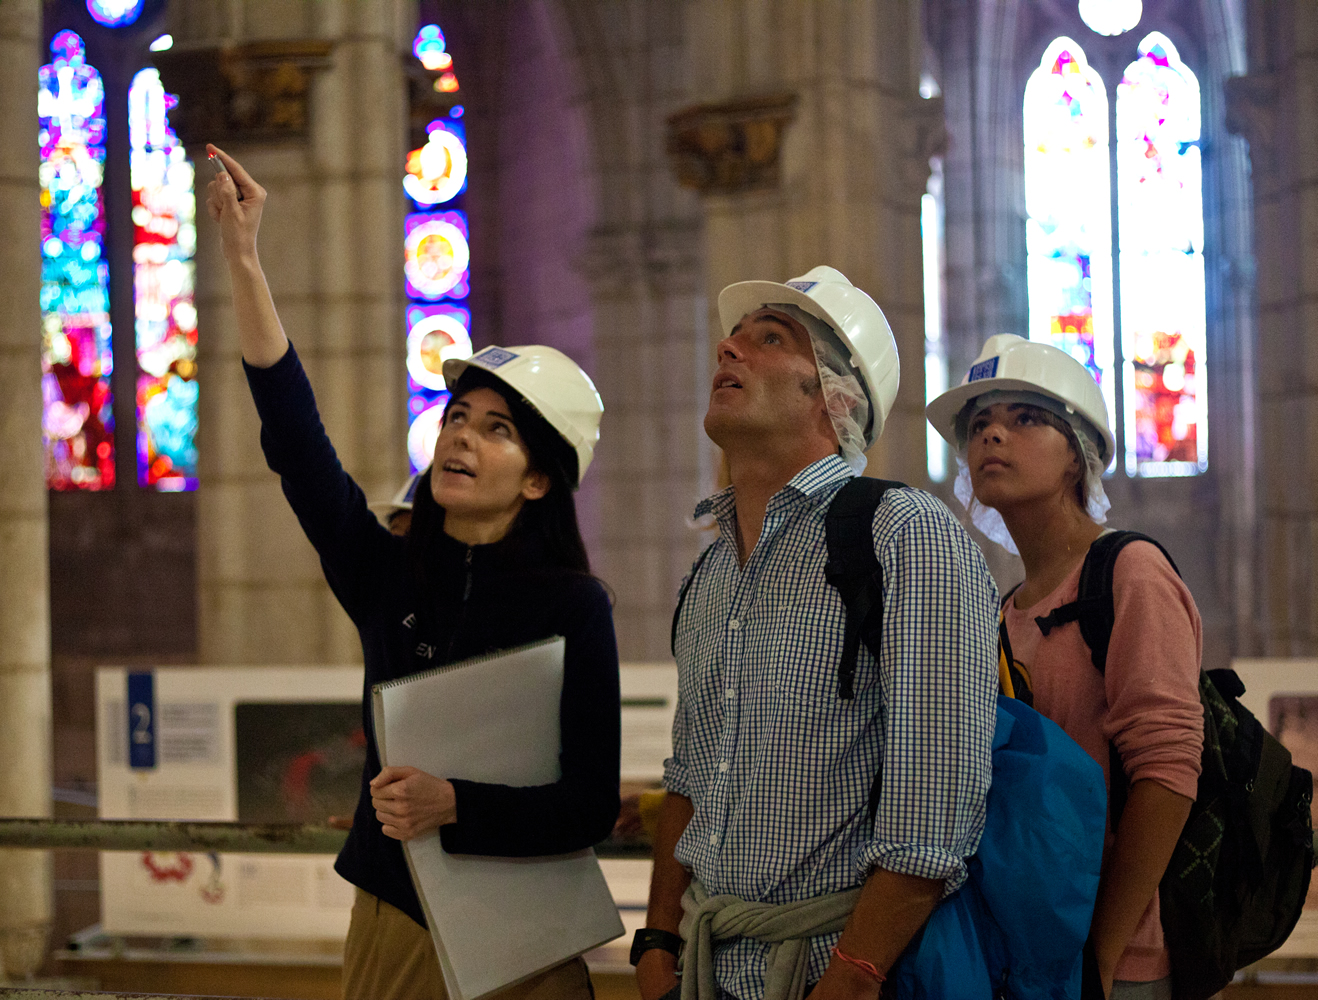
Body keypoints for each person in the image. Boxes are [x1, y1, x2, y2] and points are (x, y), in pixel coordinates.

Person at [205, 144, 621, 1000]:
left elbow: (586, 803)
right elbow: (297, 446)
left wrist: (455, 803)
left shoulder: (575, 605)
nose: (461, 436)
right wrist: (245, 259)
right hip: (396, 918)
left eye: (497, 429)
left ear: (540, 479)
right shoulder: (388, 573)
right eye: (457, 417)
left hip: (527, 932)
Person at [635, 267, 1000, 1000]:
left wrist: (852, 978)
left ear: (836, 398)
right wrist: (657, 943)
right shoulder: (710, 574)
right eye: (732, 337)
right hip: (709, 969)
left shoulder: (905, 535)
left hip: (834, 969)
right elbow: (691, 777)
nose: (728, 349)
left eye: (769, 339)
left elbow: (932, 810)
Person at [926, 334, 1204, 1000]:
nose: (993, 434)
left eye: (1025, 418)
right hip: (1026, 950)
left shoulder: (1129, 573)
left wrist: (1100, 960)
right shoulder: (1006, 608)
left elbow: (1167, 772)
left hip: (1119, 961)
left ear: (1080, 455)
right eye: (980, 424)